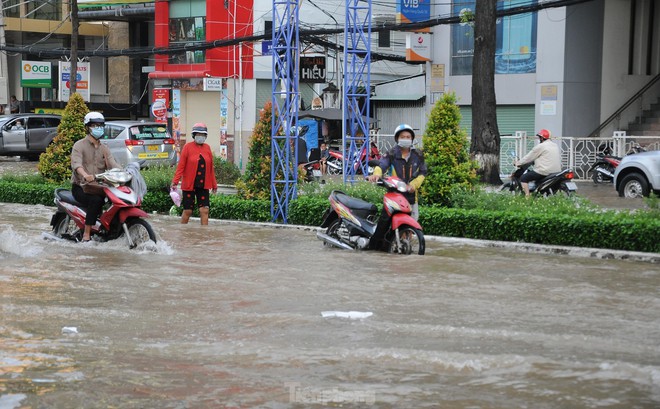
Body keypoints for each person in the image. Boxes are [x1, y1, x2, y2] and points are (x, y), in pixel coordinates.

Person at [70, 112, 120, 242]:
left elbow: (113, 164)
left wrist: (124, 172)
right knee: (96, 200)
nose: (99, 128)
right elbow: (77, 164)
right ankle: (87, 234)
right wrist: (85, 175)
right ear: (87, 127)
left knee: (116, 201)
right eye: (95, 125)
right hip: (81, 187)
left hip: (99, 187)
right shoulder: (79, 145)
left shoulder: (105, 148)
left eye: (101, 125)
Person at [368, 124, 427, 220]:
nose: (406, 139)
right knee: (388, 223)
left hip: (412, 197)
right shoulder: (391, 153)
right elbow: (382, 165)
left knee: (411, 226)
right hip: (395, 196)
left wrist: (414, 185)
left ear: (412, 138)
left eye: (408, 137)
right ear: (397, 138)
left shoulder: (418, 154)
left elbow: (423, 172)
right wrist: (376, 175)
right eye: (402, 137)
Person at [171, 123, 218, 225]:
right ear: (194, 135)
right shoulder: (187, 147)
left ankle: (203, 235)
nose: (200, 137)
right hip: (189, 185)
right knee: (188, 211)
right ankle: (183, 233)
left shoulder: (207, 148)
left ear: (205, 136)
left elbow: (210, 169)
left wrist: (214, 184)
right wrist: (175, 181)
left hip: (203, 185)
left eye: (203, 134)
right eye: (198, 134)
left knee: (204, 210)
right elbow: (181, 166)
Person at [515, 129, 562, 197]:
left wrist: (518, 163)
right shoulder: (555, 145)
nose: (539, 139)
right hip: (556, 172)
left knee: (524, 178)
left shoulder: (540, 146)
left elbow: (529, 157)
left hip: (544, 171)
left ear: (542, 138)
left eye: (540, 137)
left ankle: (527, 197)